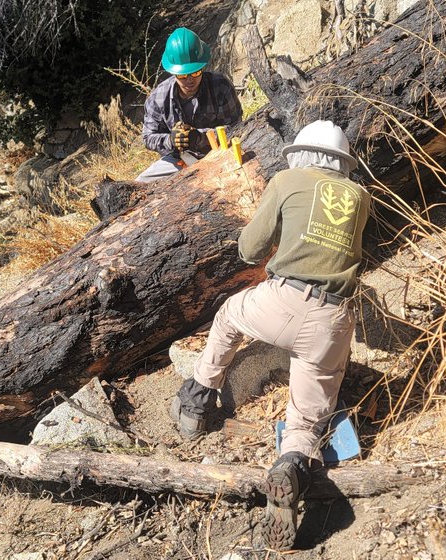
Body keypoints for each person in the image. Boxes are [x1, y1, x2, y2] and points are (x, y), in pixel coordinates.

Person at [167, 120, 370, 550]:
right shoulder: (360, 195)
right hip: (333, 320)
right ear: (342, 161)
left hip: (282, 301)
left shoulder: (286, 179)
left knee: (228, 318)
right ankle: (293, 463)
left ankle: (196, 402)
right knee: (306, 418)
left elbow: (250, 250)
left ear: (303, 153)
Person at [135, 27, 242, 183]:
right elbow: (148, 138)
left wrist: (200, 137)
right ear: (173, 72)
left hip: (219, 151)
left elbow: (237, 127)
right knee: (141, 183)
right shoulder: (158, 98)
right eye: (183, 75)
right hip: (178, 159)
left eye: (195, 72)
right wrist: (171, 141)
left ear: (202, 67)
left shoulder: (220, 87)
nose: (190, 80)